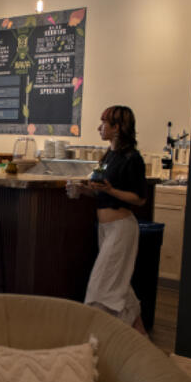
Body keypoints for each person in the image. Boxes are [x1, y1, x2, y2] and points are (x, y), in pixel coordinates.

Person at [69, 105, 149, 335]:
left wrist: (111, 190)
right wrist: (83, 189)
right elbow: (101, 190)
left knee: (99, 289)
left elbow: (139, 198)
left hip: (122, 229)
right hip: (106, 229)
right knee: (120, 287)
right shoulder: (109, 156)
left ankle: (97, 342)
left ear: (117, 128)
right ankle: (141, 338)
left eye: (103, 123)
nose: (99, 127)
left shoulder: (132, 159)